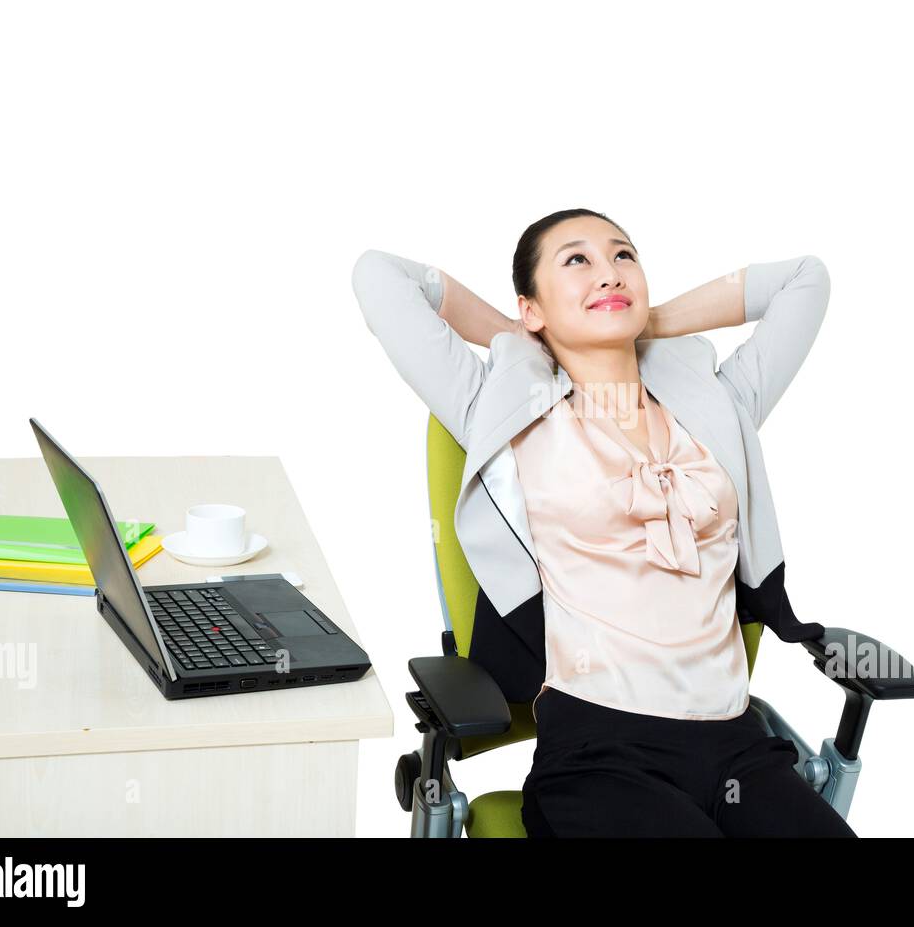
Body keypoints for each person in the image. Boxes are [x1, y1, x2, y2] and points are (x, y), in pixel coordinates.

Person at [352, 209, 854, 837]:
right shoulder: (503, 410)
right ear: (532, 305)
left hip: (739, 749)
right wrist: (519, 334)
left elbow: (805, 281)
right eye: (577, 261)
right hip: (601, 754)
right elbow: (379, 278)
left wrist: (646, 321)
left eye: (623, 258)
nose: (609, 273)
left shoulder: (720, 403)